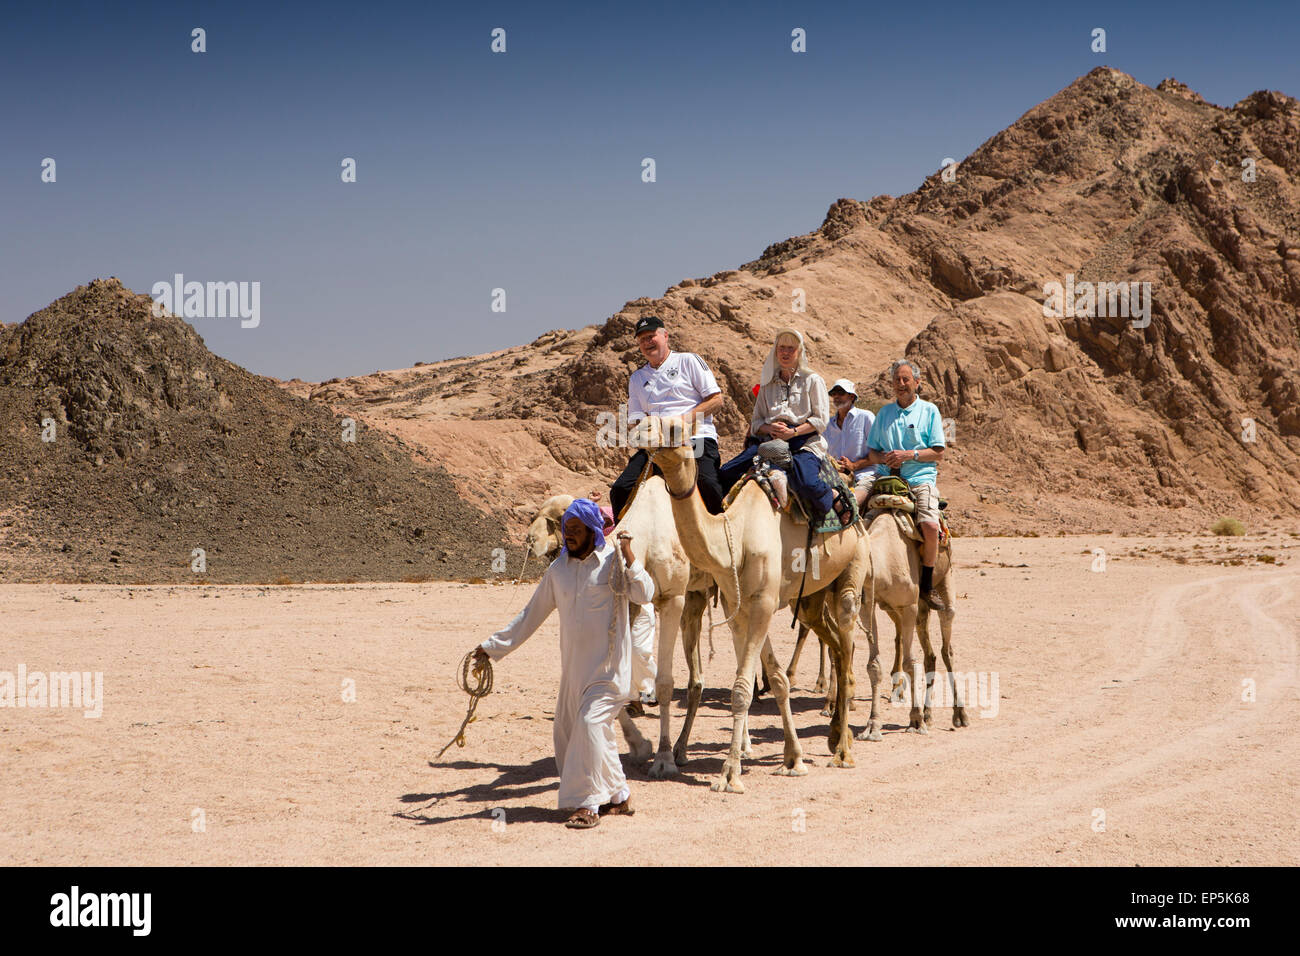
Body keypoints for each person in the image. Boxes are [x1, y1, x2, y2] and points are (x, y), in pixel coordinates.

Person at [472, 498, 654, 829]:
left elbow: (645, 594)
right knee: (573, 732)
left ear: (592, 531)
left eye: (575, 530)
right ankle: (620, 796)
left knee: (588, 725)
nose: (568, 535)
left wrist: (630, 558)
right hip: (574, 673)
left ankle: (586, 805)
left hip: (609, 671)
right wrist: (491, 647)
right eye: (566, 529)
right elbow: (530, 616)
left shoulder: (613, 562)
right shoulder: (558, 571)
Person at [718, 328, 850, 526]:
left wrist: (794, 431)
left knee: (806, 483)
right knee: (726, 472)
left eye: (791, 348)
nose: (786, 353)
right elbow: (756, 423)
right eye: (782, 348)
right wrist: (769, 428)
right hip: (771, 442)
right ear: (776, 351)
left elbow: (821, 420)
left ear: (799, 352)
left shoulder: (813, 380)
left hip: (804, 441)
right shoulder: (767, 384)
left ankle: (832, 495)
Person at [611, 315, 725, 516]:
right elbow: (636, 419)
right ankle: (625, 543)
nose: (647, 342)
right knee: (621, 489)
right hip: (657, 444)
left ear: (665, 336)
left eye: (651, 336)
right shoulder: (637, 378)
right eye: (642, 339)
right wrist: (648, 429)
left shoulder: (688, 360)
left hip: (695, 438)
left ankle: (720, 534)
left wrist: (680, 421)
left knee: (707, 484)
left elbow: (716, 400)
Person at [865, 359, 948, 611]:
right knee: (854, 520)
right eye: (896, 380)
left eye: (905, 380)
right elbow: (872, 454)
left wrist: (907, 455)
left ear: (917, 382)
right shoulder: (884, 413)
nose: (901, 384)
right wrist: (885, 458)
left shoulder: (929, 411)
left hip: (919, 478)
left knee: (931, 526)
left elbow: (938, 452)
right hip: (887, 479)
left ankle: (926, 584)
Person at [825, 379, 881, 508]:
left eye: (841, 392)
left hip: (865, 475)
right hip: (836, 477)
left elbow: (880, 453)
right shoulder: (828, 425)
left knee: (849, 505)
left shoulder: (866, 417)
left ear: (851, 396)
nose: (836, 396)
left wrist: (854, 465)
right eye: (833, 393)